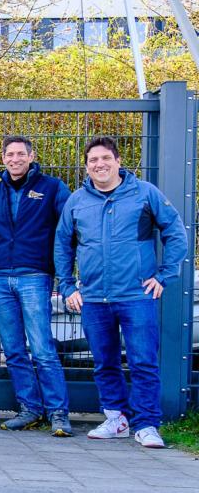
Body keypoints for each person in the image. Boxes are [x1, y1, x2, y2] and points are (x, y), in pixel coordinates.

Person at [54, 136, 187, 449]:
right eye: (93, 161)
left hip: (136, 296)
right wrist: (67, 285)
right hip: (94, 298)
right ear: (86, 167)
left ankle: (147, 424)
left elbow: (175, 231)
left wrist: (165, 275)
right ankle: (117, 418)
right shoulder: (77, 201)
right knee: (104, 361)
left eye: (105, 159)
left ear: (118, 161)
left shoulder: (144, 194)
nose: (99, 165)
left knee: (142, 361)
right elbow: (62, 244)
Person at [0, 136, 73, 437]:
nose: (15, 159)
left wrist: (64, 271)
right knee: (13, 349)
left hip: (34, 276)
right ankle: (30, 409)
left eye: (21, 153)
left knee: (42, 347)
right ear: (3, 158)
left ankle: (59, 413)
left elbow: (69, 228)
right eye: (9, 154)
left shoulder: (52, 188)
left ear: (31, 156)